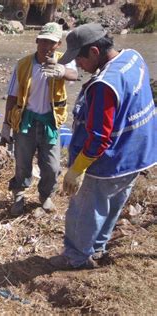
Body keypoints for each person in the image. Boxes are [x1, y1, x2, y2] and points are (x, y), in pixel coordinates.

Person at [50, 23, 156, 269]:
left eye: (79, 58)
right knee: (112, 203)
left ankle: (75, 258)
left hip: (109, 161)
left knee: (85, 209)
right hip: (138, 153)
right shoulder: (133, 57)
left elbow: (99, 138)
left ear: (95, 51)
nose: (78, 65)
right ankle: (97, 247)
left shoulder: (104, 85)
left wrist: (77, 169)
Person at [0, 22, 78, 215]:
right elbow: (12, 96)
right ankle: (18, 195)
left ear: (58, 44)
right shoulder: (24, 65)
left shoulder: (64, 60)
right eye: (43, 41)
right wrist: (6, 125)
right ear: (36, 41)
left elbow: (74, 74)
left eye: (51, 43)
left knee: (52, 166)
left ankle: (45, 195)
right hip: (25, 122)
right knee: (22, 163)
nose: (46, 47)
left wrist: (61, 70)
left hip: (50, 123)